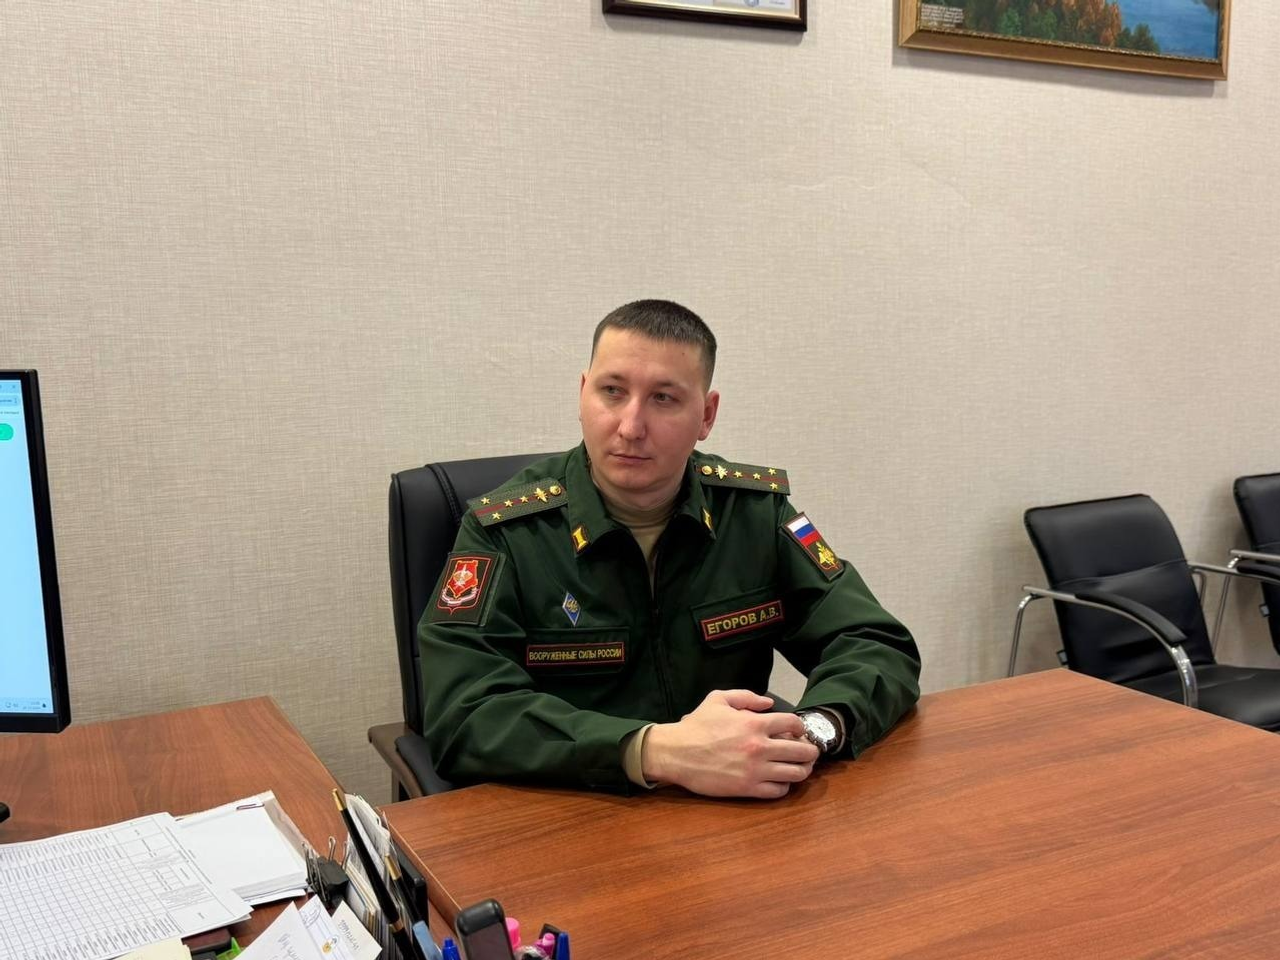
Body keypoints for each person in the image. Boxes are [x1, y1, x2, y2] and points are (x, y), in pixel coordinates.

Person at [419, 300, 920, 799]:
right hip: (576, 810)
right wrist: (652, 751)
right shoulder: (505, 531)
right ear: (582, 393)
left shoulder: (754, 514)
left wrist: (814, 728)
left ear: (706, 415)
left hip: (738, 810)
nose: (630, 426)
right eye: (612, 391)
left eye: (663, 398)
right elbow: (463, 713)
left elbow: (873, 641)